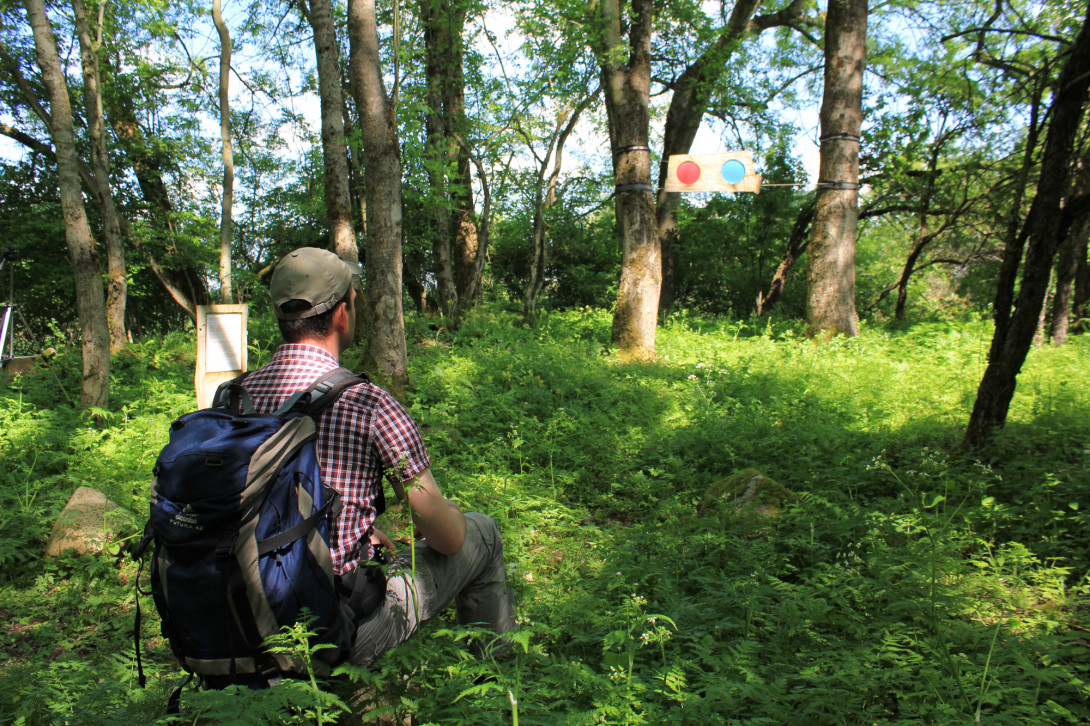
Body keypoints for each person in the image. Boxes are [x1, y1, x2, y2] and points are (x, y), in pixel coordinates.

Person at [242, 246, 515, 666]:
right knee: (483, 533)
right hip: (332, 636)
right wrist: (450, 513)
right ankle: (498, 685)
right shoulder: (368, 404)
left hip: (241, 627)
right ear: (341, 315)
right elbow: (448, 539)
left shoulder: (233, 399)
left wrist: (349, 532)